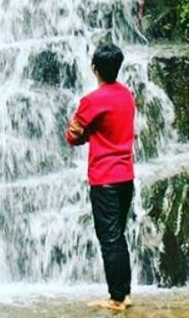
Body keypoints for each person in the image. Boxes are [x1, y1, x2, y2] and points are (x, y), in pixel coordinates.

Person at [66, 39, 136, 313]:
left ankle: (116, 299)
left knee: (109, 240)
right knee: (119, 236)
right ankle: (125, 293)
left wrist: (86, 136)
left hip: (104, 178)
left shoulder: (92, 101)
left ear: (94, 68)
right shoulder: (127, 95)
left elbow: (72, 137)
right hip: (125, 177)